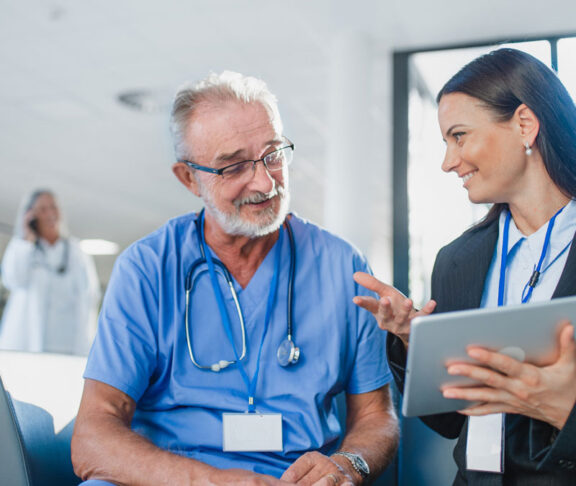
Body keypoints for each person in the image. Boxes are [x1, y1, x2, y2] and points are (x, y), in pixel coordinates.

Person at [71, 71, 399, 486]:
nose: (265, 182)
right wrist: (213, 482)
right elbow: (92, 437)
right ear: (189, 178)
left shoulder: (341, 265)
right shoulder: (149, 267)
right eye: (235, 166)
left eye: (274, 154)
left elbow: (376, 416)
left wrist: (349, 463)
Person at [355, 48, 576, 485]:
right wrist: (411, 341)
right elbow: (452, 422)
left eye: (459, 136)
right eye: (445, 142)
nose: (448, 161)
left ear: (524, 125)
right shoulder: (458, 259)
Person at [0, 189, 100, 355]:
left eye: (53, 207)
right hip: (25, 344)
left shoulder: (76, 252)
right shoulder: (22, 247)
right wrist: (27, 239)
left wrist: (87, 343)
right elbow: (13, 280)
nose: (50, 214)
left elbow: (89, 297)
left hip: (66, 346)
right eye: (42, 209)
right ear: (30, 215)